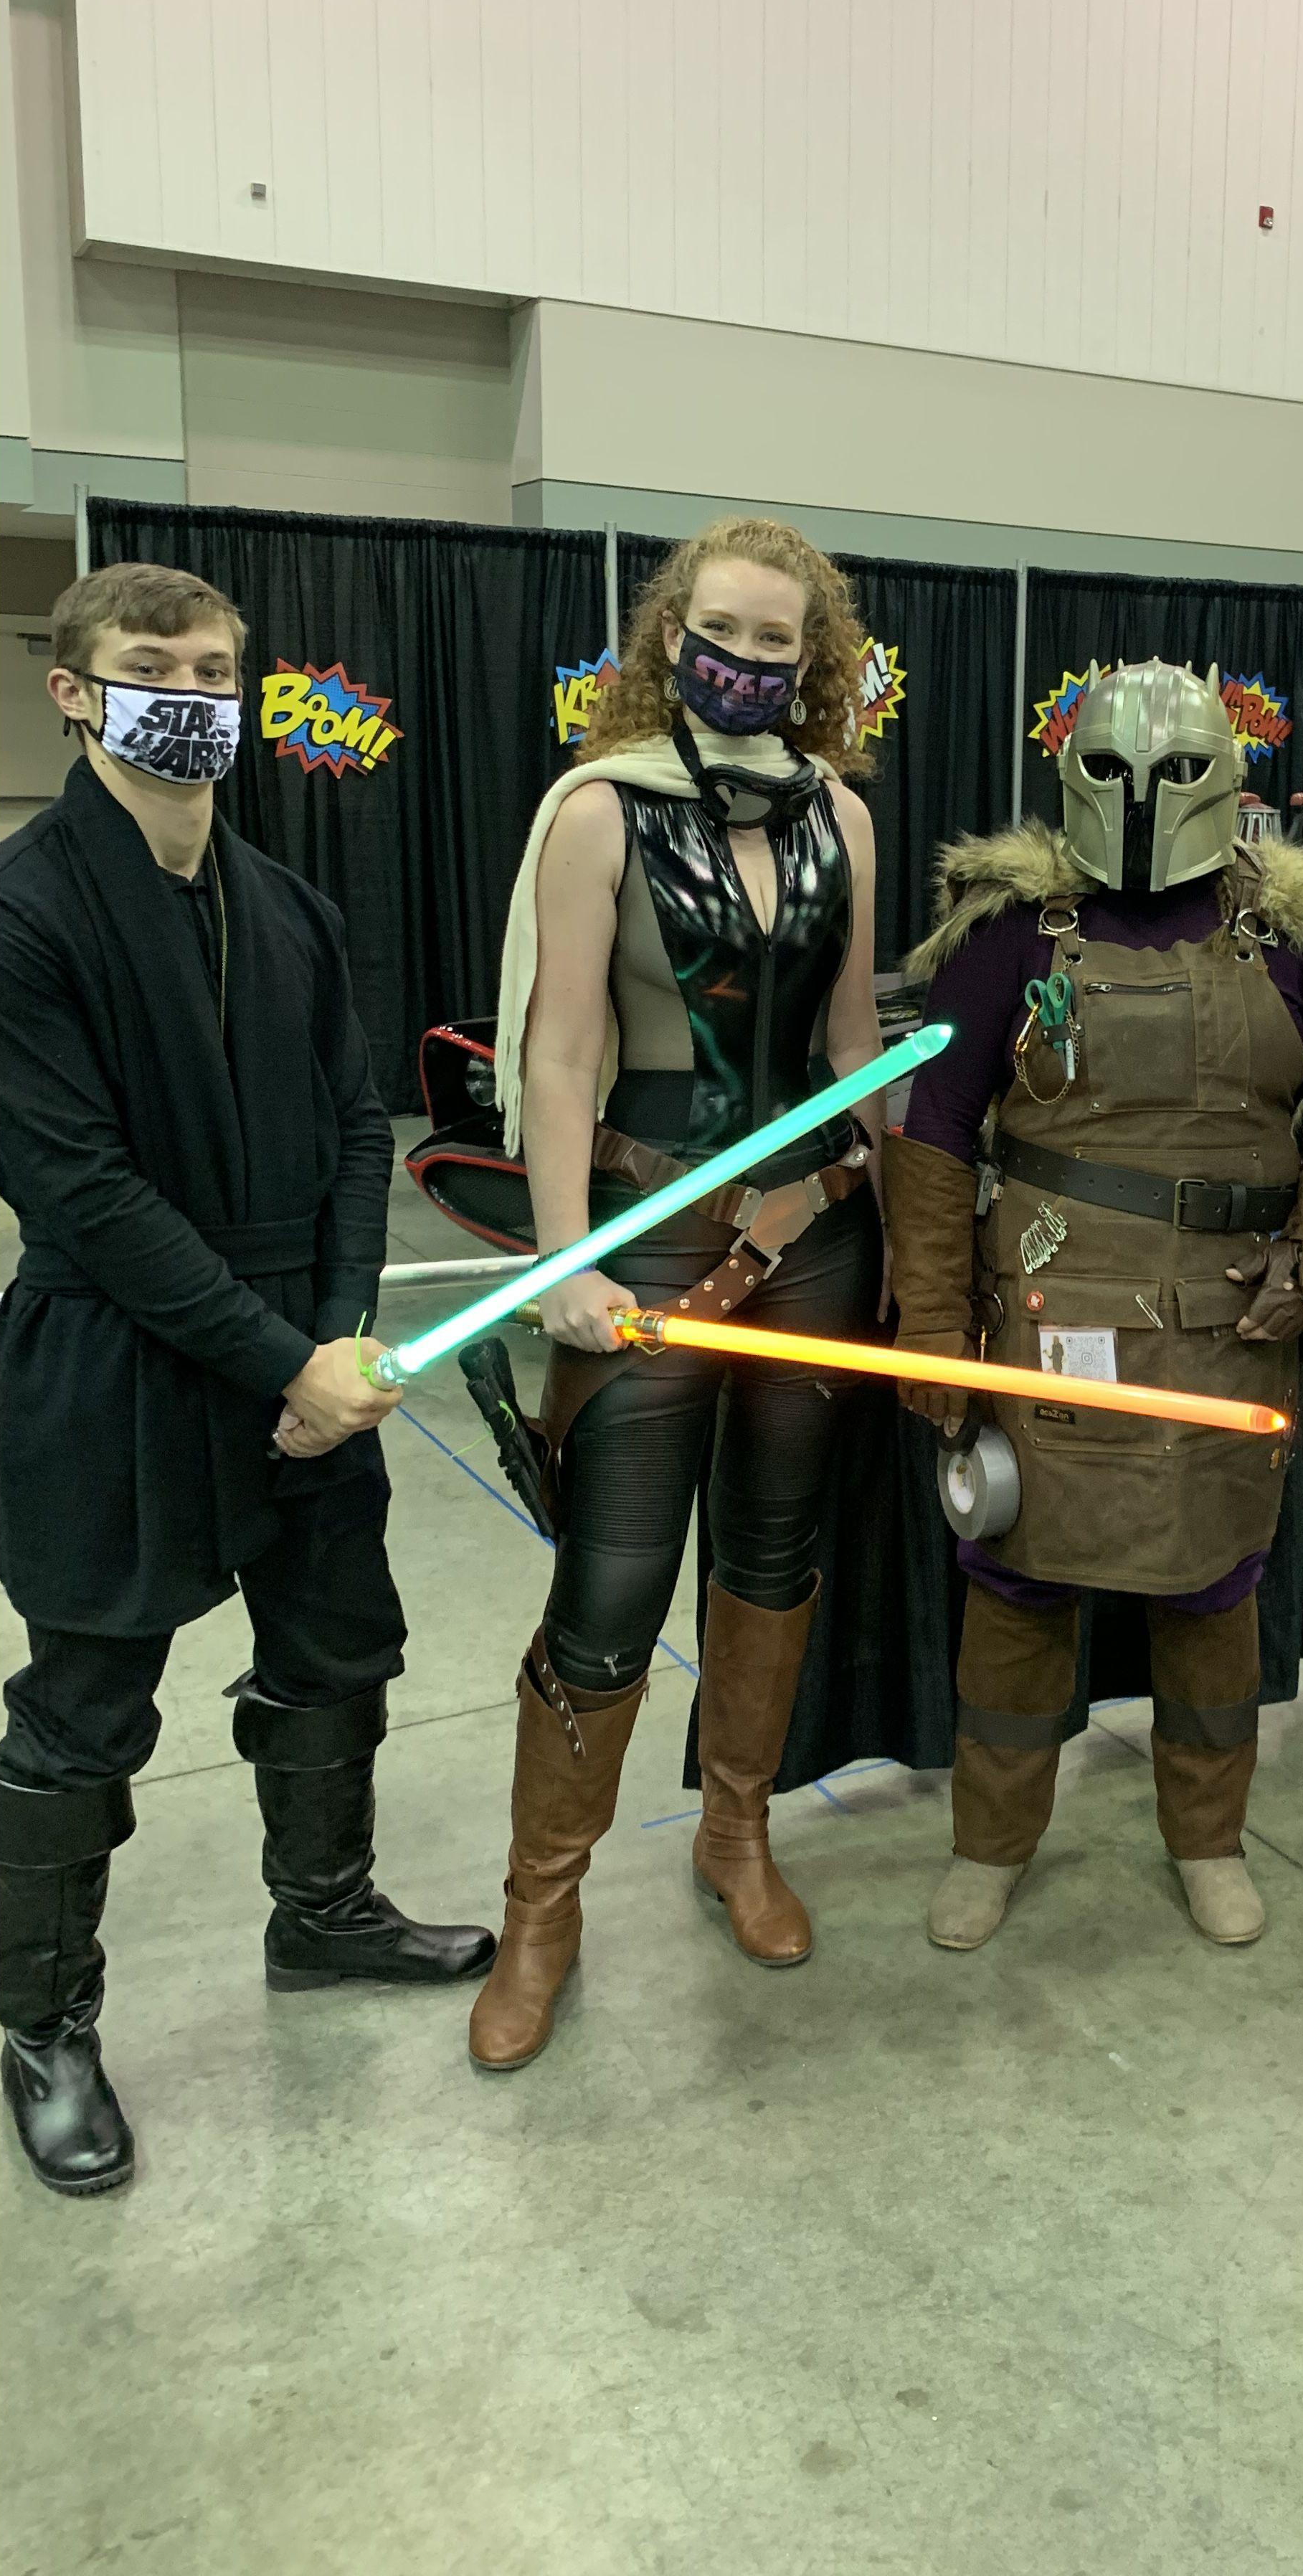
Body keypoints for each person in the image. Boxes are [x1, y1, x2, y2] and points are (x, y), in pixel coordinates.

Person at [0, 564, 495, 2197]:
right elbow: (76, 1189)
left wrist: (340, 1343)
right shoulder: (22, 913)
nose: (191, 697)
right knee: (83, 1714)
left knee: (338, 1647)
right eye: (154, 669)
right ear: (74, 690)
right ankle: (44, 2024)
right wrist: (285, 1357)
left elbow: (365, 1133)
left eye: (216, 672)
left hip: (308, 1357)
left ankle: (322, 1910)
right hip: (117, 1360)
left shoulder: (292, 908)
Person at [461, 516, 890, 2071]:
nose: (750, 659)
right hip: (645, 1231)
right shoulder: (600, 813)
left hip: (817, 1236)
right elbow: (560, 1052)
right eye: (725, 630)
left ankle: (737, 1835)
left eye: (781, 641)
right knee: (614, 1581)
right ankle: (544, 1915)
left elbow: (851, 1046)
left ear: (815, 656)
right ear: (671, 634)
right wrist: (566, 1253)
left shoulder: (843, 812)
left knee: (775, 1556)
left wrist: (909, 1189)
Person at [883, 662, 1303, 1950]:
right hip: (1053, 1304)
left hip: (1227, 1324)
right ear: (1069, 776)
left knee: (1211, 1589)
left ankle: (1207, 1839)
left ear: (1225, 776)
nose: (1141, 797)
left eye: (1174, 771)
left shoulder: (1298, 940)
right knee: (1015, 1584)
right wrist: (935, 1329)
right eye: (1112, 770)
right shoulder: (1008, 933)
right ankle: (990, 1845)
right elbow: (936, 1130)